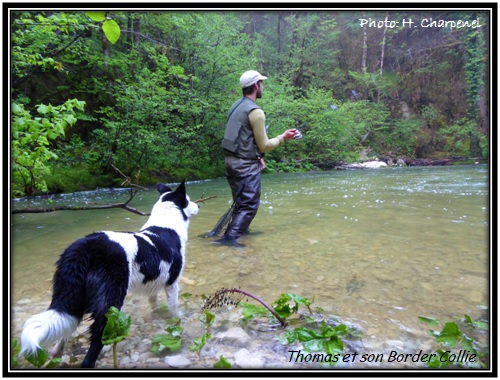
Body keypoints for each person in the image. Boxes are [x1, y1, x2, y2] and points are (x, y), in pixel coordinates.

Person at [219, 70, 299, 244]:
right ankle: (229, 240)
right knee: (249, 206)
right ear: (256, 86)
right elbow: (264, 145)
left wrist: (257, 155)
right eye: (261, 84)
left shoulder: (236, 106)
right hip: (244, 166)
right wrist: (283, 138)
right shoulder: (256, 112)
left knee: (240, 203)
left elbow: (241, 137)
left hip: (230, 162)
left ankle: (241, 234)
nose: (262, 87)